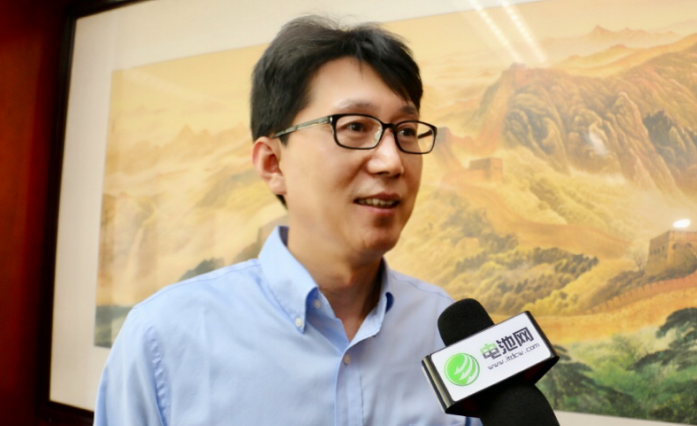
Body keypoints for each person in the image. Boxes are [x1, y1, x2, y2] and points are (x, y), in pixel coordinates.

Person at [95, 15, 479, 426]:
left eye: (406, 131)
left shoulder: (445, 330)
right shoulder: (163, 338)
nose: (392, 161)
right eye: (354, 126)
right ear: (273, 163)